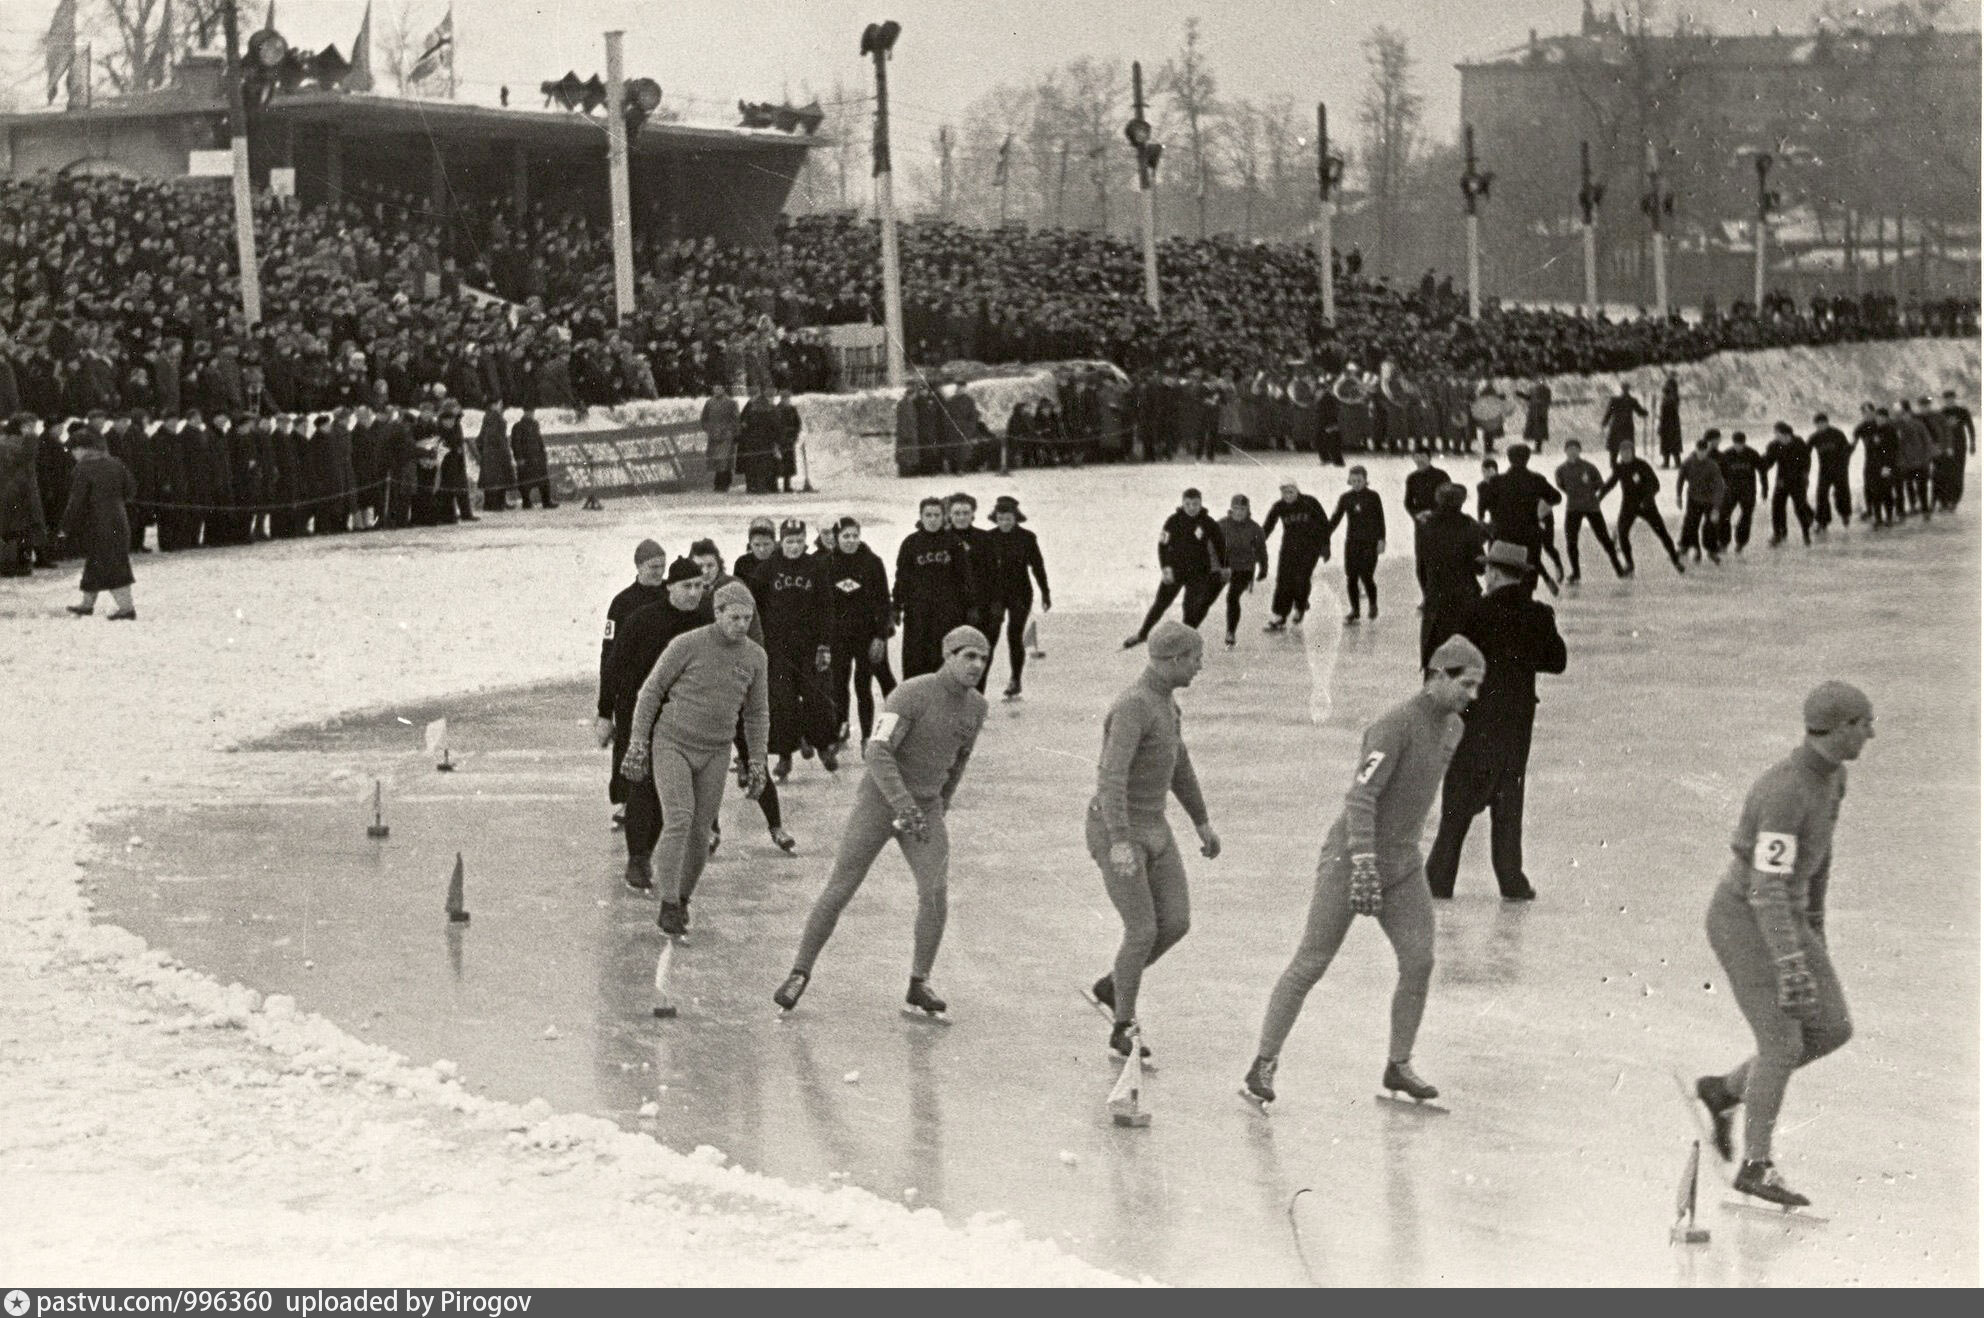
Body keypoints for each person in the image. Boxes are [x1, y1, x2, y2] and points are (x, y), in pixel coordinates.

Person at [1240, 635, 1485, 1110]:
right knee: (1311, 962)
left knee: (1420, 960)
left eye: (1477, 687)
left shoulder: (1453, 727)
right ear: (1437, 675)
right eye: (1466, 685)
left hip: (1402, 863)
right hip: (1351, 859)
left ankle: (1398, 1063)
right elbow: (1360, 797)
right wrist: (1364, 863)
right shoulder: (1393, 727)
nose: (1471, 696)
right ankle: (1263, 1063)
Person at [1691, 682, 1871, 1209]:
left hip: (1787, 916)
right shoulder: (1785, 790)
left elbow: (1820, 856)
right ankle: (1755, 1164)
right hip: (1744, 917)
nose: (1871, 732)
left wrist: (1814, 923)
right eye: (1864, 723)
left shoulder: (1834, 778)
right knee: (1783, 1043)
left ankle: (1724, 1093)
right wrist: (1790, 962)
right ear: (1838, 729)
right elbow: (1764, 886)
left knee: (1833, 1027)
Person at [773, 626, 991, 1018]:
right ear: (948, 655)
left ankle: (919, 982)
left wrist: (941, 802)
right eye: (968, 656)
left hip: (923, 809)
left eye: (983, 658)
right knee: (842, 884)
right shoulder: (911, 693)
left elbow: (959, 761)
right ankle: (799, 971)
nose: (976, 665)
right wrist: (901, 803)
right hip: (880, 802)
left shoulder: (977, 707)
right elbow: (877, 751)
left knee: (935, 890)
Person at [1086, 620, 1222, 1060]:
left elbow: (1178, 765)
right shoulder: (1133, 706)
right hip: (1116, 827)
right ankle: (1122, 1026)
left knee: (1176, 923)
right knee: (1142, 929)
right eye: (1196, 659)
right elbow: (1111, 775)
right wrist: (1121, 840)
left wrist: (1201, 821)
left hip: (1155, 827)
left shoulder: (1166, 704)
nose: (1200, 667)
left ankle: (1114, 984)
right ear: (1175, 660)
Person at [620, 582, 772, 938]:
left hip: (716, 750)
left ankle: (683, 898)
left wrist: (757, 761)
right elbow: (651, 690)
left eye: (747, 619)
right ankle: (668, 902)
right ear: (717, 613)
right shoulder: (687, 644)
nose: (741, 625)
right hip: (672, 743)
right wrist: (638, 742)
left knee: (702, 831)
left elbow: (757, 713)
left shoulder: (755, 657)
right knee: (679, 818)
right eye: (734, 617)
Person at [1424, 541, 1568, 900]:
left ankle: (1438, 879)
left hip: (1475, 717)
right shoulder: (1537, 614)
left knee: (1458, 796)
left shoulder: (1474, 612)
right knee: (1509, 798)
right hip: (1517, 720)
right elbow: (1557, 660)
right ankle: (1511, 880)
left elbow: (1446, 662)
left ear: (1494, 572)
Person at [602, 559, 713, 891]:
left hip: (691, 720)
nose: (694, 593)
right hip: (649, 717)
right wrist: (605, 713)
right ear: (670, 588)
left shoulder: (708, 620)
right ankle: (638, 858)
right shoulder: (643, 621)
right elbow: (615, 667)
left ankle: (647, 854)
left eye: (699, 586)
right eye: (687, 587)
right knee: (645, 790)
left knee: (674, 795)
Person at [690, 537, 796, 854]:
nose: (705, 572)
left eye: (710, 565)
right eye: (699, 567)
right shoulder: (693, 596)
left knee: (755, 759)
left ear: (719, 564)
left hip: (738, 694)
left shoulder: (735, 590)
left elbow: (755, 642)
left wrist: (746, 681)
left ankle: (776, 826)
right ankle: (711, 828)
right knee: (706, 767)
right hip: (706, 698)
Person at [595, 538, 672, 827]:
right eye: (653, 567)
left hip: (664, 685)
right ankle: (628, 802)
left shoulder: (670, 595)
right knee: (629, 744)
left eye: (662, 567)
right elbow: (608, 654)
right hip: (631, 688)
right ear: (638, 566)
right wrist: (605, 707)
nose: (658, 572)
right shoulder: (622, 603)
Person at [760, 518, 840, 780]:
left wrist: (824, 644)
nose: (794, 546)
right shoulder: (768, 568)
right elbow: (755, 604)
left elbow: (827, 607)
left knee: (817, 696)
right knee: (782, 701)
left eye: (798, 541)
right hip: (779, 649)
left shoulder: (815, 567)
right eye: (788, 541)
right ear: (780, 543)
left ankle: (824, 746)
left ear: (805, 541)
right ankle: (785, 755)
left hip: (809, 647)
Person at [820, 516, 897, 744]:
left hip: (866, 635)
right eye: (846, 536)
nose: (851, 540)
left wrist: (881, 637)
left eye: (855, 535)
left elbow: (884, 601)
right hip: (839, 636)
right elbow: (822, 604)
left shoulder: (872, 562)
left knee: (863, 685)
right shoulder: (827, 564)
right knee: (839, 684)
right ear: (836, 537)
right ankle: (841, 730)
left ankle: (866, 736)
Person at [1124, 488, 1227, 648]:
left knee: (1190, 608)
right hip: (1175, 571)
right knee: (1161, 603)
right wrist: (1165, 568)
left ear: (1200, 503)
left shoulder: (1208, 523)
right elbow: (1162, 545)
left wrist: (1225, 566)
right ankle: (1143, 633)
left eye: (1195, 504)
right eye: (1188, 504)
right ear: (1182, 503)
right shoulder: (1173, 521)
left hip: (1199, 574)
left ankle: (1184, 641)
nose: (1192, 507)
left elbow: (1221, 545)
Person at [59, 426, 139, 620]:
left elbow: (76, 501)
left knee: (112, 564)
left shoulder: (83, 468)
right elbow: (131, 491)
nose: (73, 455)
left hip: (97, 523)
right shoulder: (116, 463)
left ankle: (127, 609)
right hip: (119, 521)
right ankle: (87, 605)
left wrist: (65, 526)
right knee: (97, 563)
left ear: (83, 449)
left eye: (74, 450)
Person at [977, 494, 1051, 697]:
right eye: (1001, 519)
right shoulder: (989, 538)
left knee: (1014, 635)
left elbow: (1038, 567)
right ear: (995, 519)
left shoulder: (1027, 538)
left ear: (1015, 518)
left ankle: (1015, 680)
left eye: (1008, 519)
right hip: (996, 594)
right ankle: (979, 684)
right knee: (991, 636)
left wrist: (1045, 592)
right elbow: (981, 571)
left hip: (1020, 593)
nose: (1005, 523)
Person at [894, 496, 974, 678]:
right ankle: (915, 704)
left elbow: (965, 577)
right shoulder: (910, 543)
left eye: (936, 515)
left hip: (947, 613)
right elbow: (902, 578)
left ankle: (946, 705)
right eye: (928, 515)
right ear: (921, 517)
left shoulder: (954, 543)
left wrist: (970, 606)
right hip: (917, 613)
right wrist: (896, 606)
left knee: (944, 663)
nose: (932, 519)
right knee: (916, 663)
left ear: (944, 517)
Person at [1414, 483, 1485, 666]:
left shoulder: (1425, 526)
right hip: (1464, 600)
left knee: (1434, 660)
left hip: (1436, 600)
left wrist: (1428, 591)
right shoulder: (1470, 526)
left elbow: (1421, 568)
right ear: (1461, 502)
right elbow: (1480, 567)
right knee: (1464, 662)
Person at [1600, 440, 1685, 576]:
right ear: (1620, 454)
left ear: (1632, 452)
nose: (1625, 455)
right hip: (1628, 505)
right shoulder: (1620, 467)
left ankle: (1675, 560)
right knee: (1622, 533)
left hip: (1647, 505)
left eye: (1628, 452)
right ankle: (1630, 564)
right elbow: (1610, 483)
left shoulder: (1642, 465)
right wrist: (1599, 497)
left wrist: (1647, 499)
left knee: (1661, 533)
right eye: (1623, 453)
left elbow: (1655, 484)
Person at [1261, 479, 1330, 630]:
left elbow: (1324, 523)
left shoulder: (1310, 502)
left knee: (1301, 578)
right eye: (1284, 492)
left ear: (1297, 491)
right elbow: (1267, 526)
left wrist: (1326, 546)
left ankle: (1299, 606)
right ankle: (1280, 615)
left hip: (1310, 547)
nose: (1288, 495)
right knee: (1283, 579)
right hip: (1289, 548)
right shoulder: (1279, 506)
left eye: (1291, 491)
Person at [1478, 443, 1560, 567]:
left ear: (1509, 459)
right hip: (1528, 534)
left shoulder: (1497, 481)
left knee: (1501, 571)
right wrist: (1540, 508)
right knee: (1528, 575)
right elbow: (1556, 497)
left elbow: (1484, 504)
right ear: (1528, 459)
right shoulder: (1536, 479)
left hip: (1503, 534)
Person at [1553, 439, 1623, 583]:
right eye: (1569, 449)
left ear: (1580, 451)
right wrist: (1574, 493)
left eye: (1575, 449)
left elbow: (1599, 483)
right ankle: (1576, 573)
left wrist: (1589, 492)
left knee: (1604, 538)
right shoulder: (1561, 470)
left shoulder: (1589, 467)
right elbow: (1561, 484)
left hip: (1591, 507)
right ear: (1565, 451)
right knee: (1571, 541)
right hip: (1573, 508)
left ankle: (1619, 568)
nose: (1572, 452)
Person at [1327, 465, 1386, 624]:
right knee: (1351, 577)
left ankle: (1373, 604)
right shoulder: (1345, 498)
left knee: (1367, 576)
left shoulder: (1373, 496)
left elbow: (1380, 519)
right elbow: (1336, 518)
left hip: (1370, 542)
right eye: (1353, 481)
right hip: (1352, 542)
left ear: (1365, 480)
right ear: (1349, 481)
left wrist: (1381, 539)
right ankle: (1355, 610)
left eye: (1359, 480)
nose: (1356, 483)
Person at [1213, 493, 1268, 648]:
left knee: (1232, 597)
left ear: (1248, 510)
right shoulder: (1222, 525)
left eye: (1242, 509)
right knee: (1206, 593)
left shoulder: (1255, 529)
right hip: (1225, 566)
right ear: (1231, 509)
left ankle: (1230, 632)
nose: (1239, 512)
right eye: (1236, 508)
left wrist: (1263, 568)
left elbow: (1261, 551)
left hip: (1244, 569)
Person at [1760, 421, 1814, 546]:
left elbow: (1807, 461)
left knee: (1800, 508)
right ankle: (1778, 534)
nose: (1775, 435)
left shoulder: (1799, 443)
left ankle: (1806, 534)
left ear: (1786, 434)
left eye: (1777, 433)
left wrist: (1805, 476)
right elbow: (1769, 461)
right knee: (1777, 507)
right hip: (1782, 481)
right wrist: (1761, 464)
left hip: (1798, 481)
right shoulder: (1774, 445)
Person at [1678, 432, 1727, 564]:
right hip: (1694, 499)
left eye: (1703, 452)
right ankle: (1693, 549)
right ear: (1696, 450)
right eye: (1699, 451)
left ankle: (1711, 550)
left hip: (1709, 500)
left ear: (1707, 451)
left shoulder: (1713, 466)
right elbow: (1681, 478)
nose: (1701, 454)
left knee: (1710, 526)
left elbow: (1719, 487)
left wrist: (1716, 508)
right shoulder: (1688, 462)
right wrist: (1678, 496)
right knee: (1691, 524)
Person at [1716, 430, 1766, 551]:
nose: (1739, 447)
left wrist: (1765, 489)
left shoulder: (1752, 454)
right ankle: (1723, 542)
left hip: (1748, 491)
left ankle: (1741, 542)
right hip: (1730, 491)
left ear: (1744, 443)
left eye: (1741, 444)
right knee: (1724, 516)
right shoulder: (1726, 454)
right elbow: (1718, 473)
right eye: (1736, 444)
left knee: (1746, 516)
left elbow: (1762, 471)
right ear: (1733, 443)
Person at [1807, 413, 1853, 532]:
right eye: (1818, 424)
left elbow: (1847, 449)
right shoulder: (1814, 437)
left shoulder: (1837, 434)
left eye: (1822, 423)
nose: (1820, 426)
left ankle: (1845, 514)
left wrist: (1845, 463)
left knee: (1842, 493)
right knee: (1821, 494)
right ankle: (1823, 521)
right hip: (1825, 470)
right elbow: (1805, 452)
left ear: (1827, 423)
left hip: (1840, 469)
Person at [510, 404, 556, 508]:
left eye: (532, 412)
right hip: (526, 459)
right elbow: (515, 443)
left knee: (543, 481)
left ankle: (546, 501)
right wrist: (519, 458)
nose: (531, 414)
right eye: (529, 412)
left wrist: (543, 453)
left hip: (537, 458)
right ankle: (526, 502)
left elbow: (539, 440)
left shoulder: (535, 424)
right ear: (525, 412)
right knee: (525, 482)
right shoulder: (518, 426)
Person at [701, 385, 740, 493]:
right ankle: (719, 483)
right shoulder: (709, 403)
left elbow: (736, 420)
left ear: (724, 389)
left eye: (719, 388)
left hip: (727, 436)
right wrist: (709, 430)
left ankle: (724, 483)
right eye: (715, 388)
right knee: (716, 460)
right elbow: (704, 419)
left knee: (725, 460)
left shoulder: (731, 402)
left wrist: (731, 432)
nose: (716, 390)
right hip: (714, 436)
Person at [1601, 382, 1646, 460]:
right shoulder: (1632, 401)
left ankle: (1613, 464)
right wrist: (1646, 412)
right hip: (1627, 427)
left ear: (1621, 389)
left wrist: (1604, 422)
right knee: (1627, 446)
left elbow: (1609, 413)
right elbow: (1641, 412)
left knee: (1614, 448)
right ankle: (1627, 463)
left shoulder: (1614, 400)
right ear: (1628, 389)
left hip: (1616, 426)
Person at [775, 389, 803, 493]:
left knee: (789, 464)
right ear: (781, 398)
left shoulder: (792, 409)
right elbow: (775, 425)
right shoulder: (777, 409)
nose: (786, 400)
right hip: (780, 440)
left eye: (787, 398)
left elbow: (798, 423)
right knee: (778, 463)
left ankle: (787, 485)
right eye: (784, 398)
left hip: (790, 440)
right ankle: (775, 485)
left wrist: (795, 435)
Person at [1657, 374, 1684, 468]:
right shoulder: (1675, 398)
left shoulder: (1667, 400)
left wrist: (1660, 426)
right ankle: (1676, 462)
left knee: (1667, 443)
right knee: (1673, 443)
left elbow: (1663, 415)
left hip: (1667, 424)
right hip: (1674, 424)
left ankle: (1667, 462)